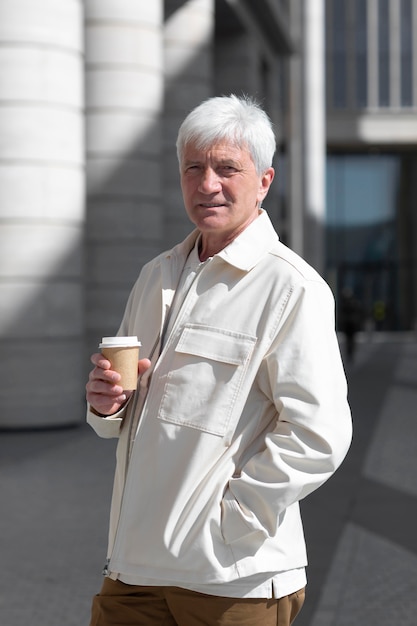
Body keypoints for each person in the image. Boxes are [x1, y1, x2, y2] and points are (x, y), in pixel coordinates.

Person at [86, 94, 352, 626]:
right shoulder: (155, 275)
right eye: (194, 168)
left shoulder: (291, 287)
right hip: (133, 571)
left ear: (265, 182)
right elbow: (124, 416)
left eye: (227, 168)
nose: (207, 184)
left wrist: (233, 521)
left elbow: (319, 433)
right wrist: (107, 404)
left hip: (232, 583)